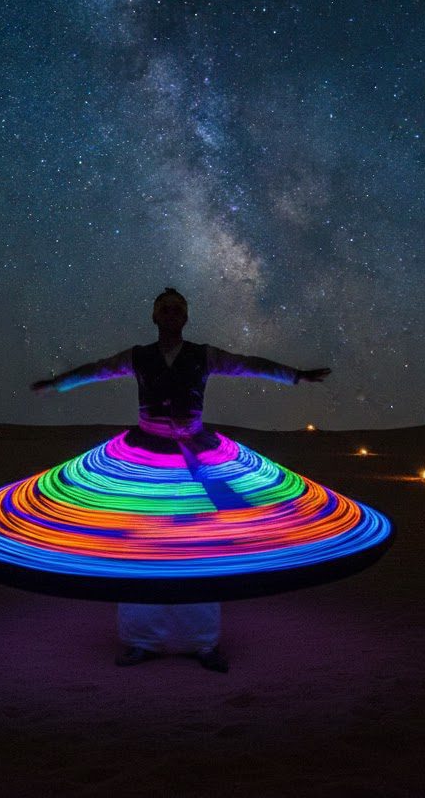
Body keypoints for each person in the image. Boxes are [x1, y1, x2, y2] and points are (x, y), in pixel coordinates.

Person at [30, 287, 331, 672]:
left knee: (198, 545)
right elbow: (98, 370)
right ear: (155, 317)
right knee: (144, 544)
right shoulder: (138, 357)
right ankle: (141, 641)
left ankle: (203, 643)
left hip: (194, 457)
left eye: (178, 310)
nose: (172, 315)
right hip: (146, 456)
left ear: (185, 318)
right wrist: (59, 384)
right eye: (165, 310)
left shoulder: (203, 356)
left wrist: (294, 376)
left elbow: (247, 364)